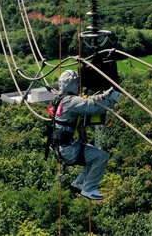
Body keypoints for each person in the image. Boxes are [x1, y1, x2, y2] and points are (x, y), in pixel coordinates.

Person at [50, 69, 120, 200]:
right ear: (75, 84)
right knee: (101, 157)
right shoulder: (71, 101)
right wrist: (112, 100)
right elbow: (94, 108)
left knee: (91, 158)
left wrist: (103, 96)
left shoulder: (60, 99)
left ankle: (79, 182)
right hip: (69, 150)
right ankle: (89, 188)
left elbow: (85, 101)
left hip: (63, 148)